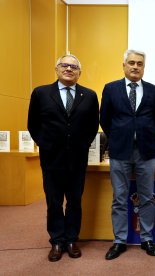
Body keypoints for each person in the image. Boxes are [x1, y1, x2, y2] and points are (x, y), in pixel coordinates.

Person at [27, 54, 99, 262]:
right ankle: (57, 241)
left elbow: (93, 126)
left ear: (79, 73)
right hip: (51, 159)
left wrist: (82, 145)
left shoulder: (90, 95)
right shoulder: (41, 93)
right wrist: (45, 144)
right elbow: (33, 124)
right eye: (64, 65)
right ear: (56, 69)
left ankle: (71, 240)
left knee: (75, 201)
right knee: (54, 202)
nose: (69, 69)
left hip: (77, 159)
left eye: (74, 67)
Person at [100, 49, 155, 260]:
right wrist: (120, 136)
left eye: (140, 64)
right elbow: (105, 120)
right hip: (119, 151)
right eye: (132, 63)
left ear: (144, 67)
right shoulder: (111, 89)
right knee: (119, 198)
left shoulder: (154, 91)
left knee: (146, 197)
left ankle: (146, 238)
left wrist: (142, 135)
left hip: (145, 151)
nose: (136, 67)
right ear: (124, 65)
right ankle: (119, 241)